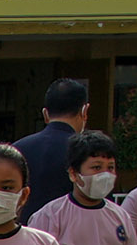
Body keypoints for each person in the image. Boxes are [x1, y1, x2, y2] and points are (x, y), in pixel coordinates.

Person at [13, 79, 91, 216]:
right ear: (84, 111)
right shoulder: (87, 152)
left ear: (45, 114)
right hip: (73, 231)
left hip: (25, 231)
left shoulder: (16, 150)